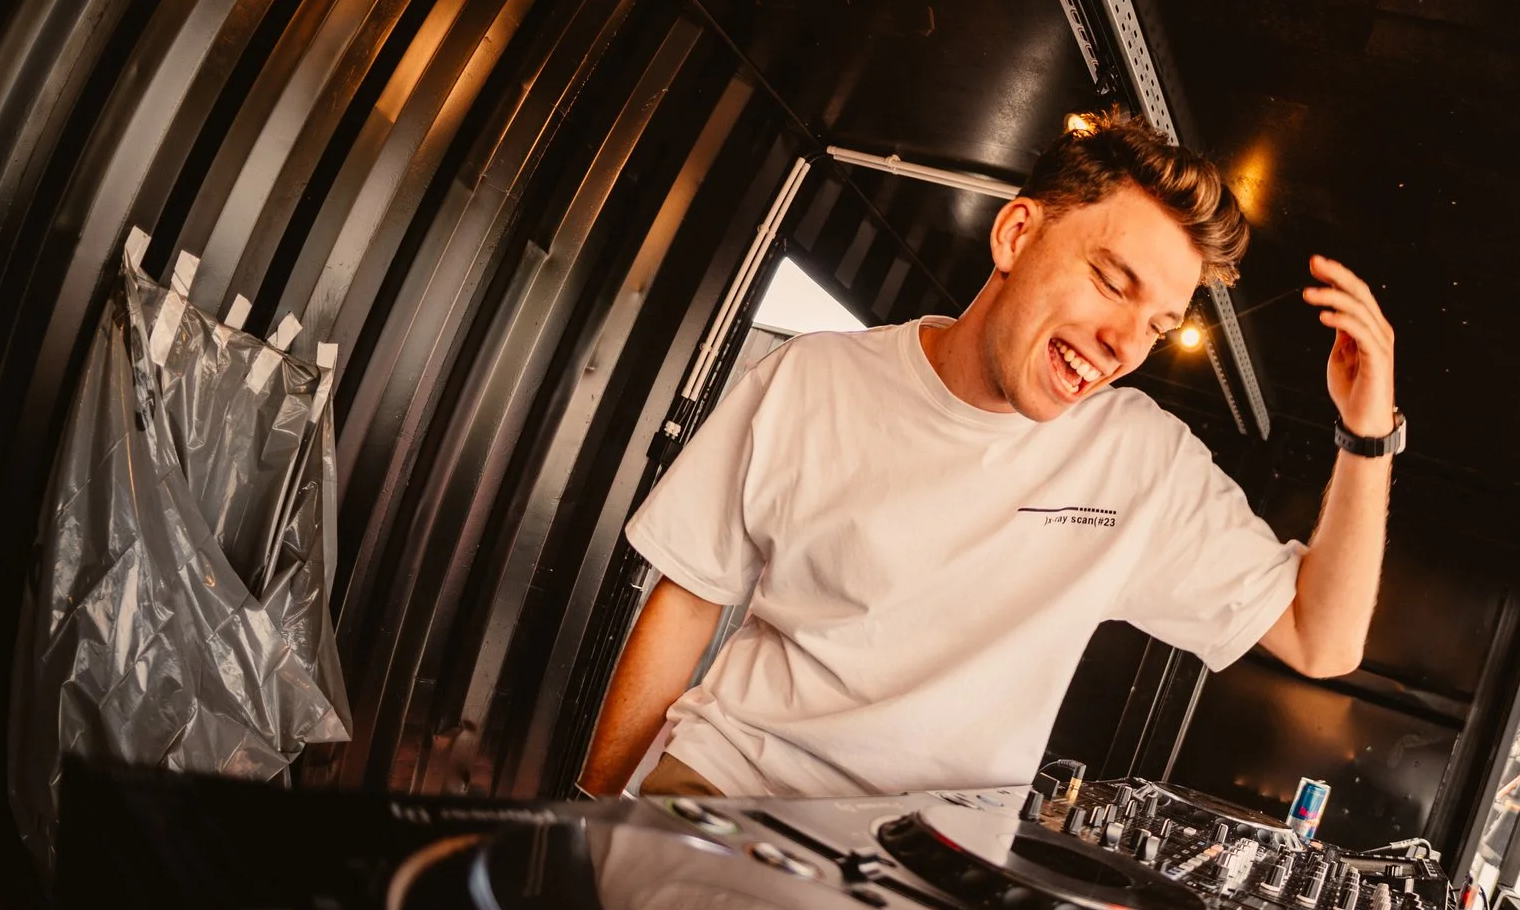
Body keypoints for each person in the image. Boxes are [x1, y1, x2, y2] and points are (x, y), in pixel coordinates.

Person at [576, 110, 1402, 800]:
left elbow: (1320, 640)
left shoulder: (1140, 464)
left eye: (1156, 325)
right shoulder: (811, 378)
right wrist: (593, 821)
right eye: (1113, 281)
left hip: (931, 873)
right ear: (1016, 233)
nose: (1121, 344)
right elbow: (687, 602)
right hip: (728, 789)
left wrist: (1367, 439)